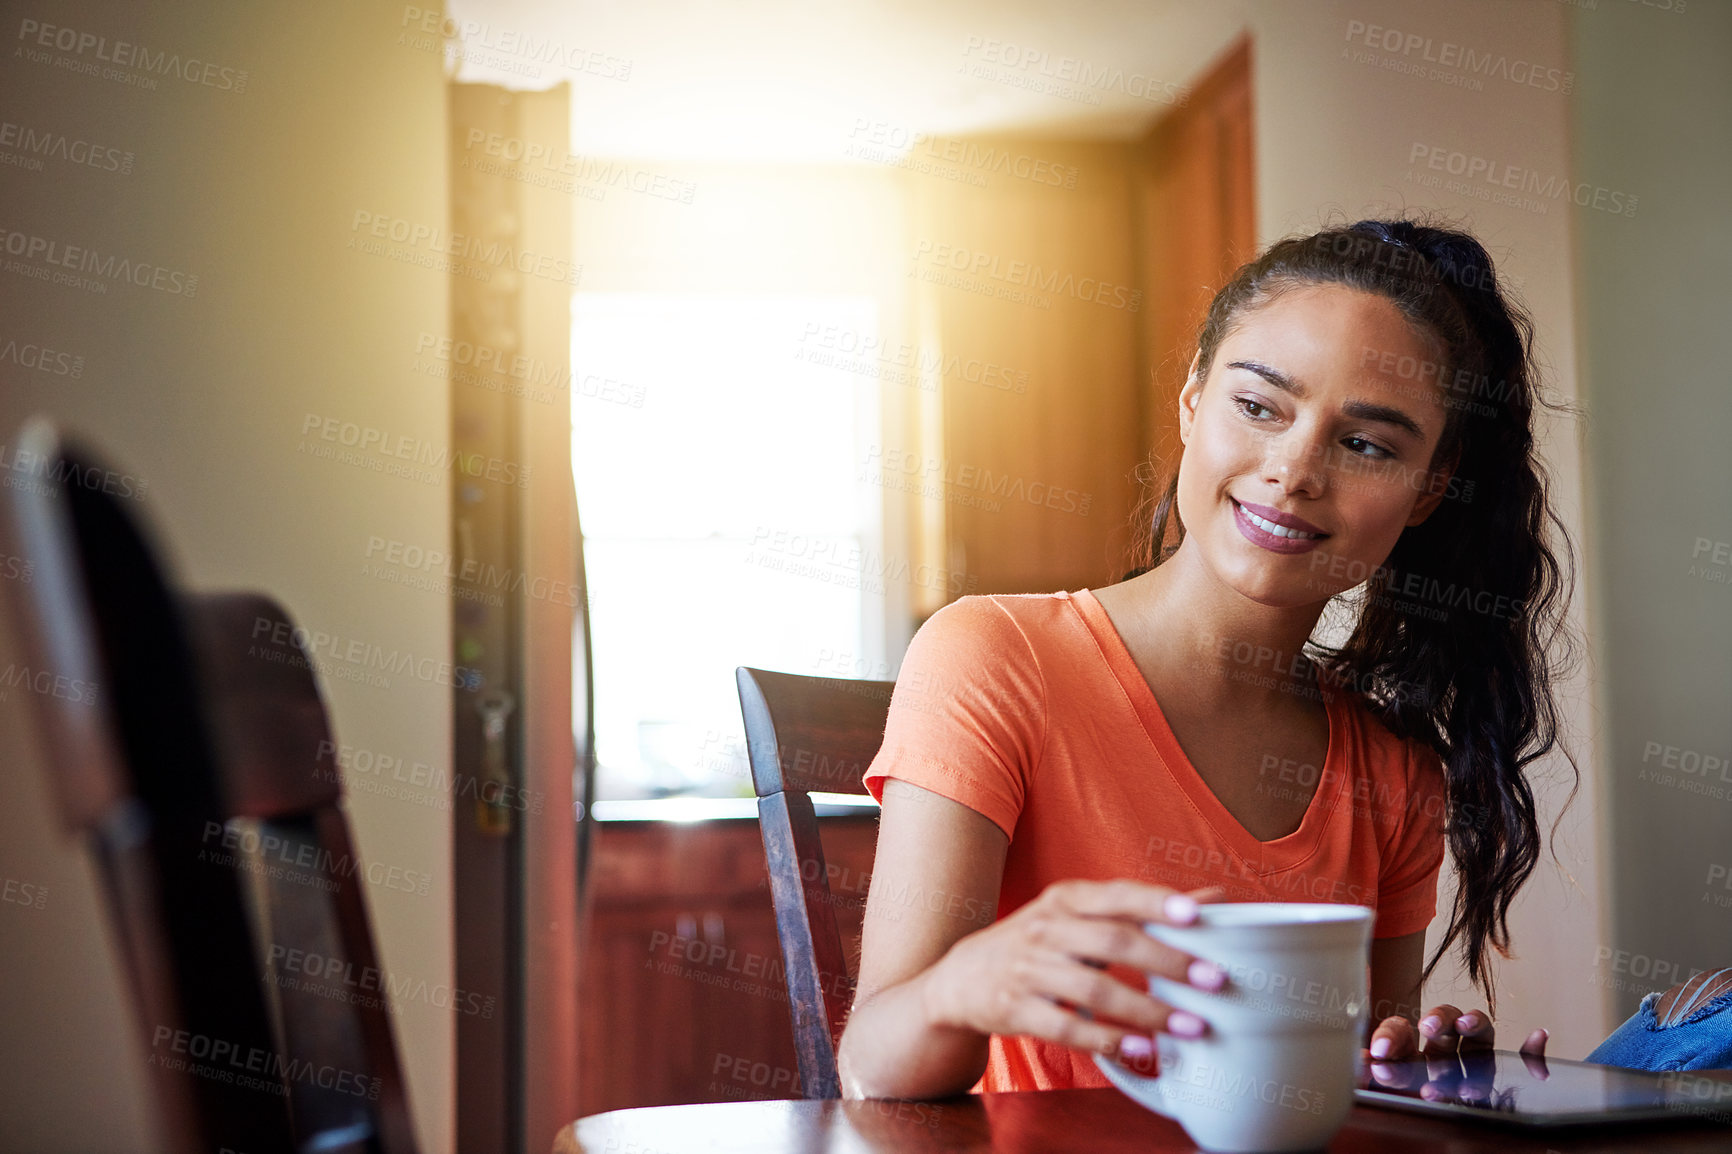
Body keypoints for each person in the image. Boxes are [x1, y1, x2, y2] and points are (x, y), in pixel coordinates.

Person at [836, 219, 1575, 1099]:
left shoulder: (1395, 772)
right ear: (1192, 402)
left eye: (1367, 444)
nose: (1294, 470)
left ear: (1428, 490)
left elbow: (1347, 1094)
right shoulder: (994, 657)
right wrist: (967, 982)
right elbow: (873, 1068)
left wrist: (1419, 1074)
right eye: (1258, 407)